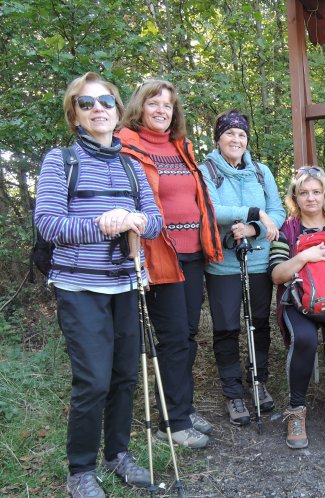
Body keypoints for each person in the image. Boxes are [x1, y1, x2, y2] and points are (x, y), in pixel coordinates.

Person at [34, 72, 163, 498]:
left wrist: (137, 221)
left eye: (106, 101)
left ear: (117, 108)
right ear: (75, 115)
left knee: (126, 374)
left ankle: (118, 455)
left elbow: (156, 220)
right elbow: (48, 224)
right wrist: (100, 223)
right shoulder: (60, 161)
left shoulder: (130, 162)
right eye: (87, 104)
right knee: (92, 380)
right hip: (79, 287)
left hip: (127, 284)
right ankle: (81, 470)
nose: (99, 109)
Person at [117, 79, 223, 449]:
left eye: (168, 105)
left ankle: (181, 406)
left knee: (187, 335)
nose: (162, 110)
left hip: (193, 253)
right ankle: (173, 424)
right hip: (159, 255)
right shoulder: (126, 145)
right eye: (154, 103)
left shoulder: (182, 147)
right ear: (140, 107)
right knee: (174, 337)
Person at [200, 110, 286, 426]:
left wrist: (253, 229)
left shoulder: (261, 172)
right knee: (225, 328)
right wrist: (250, 211)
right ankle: (234, 393)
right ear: (218, 137)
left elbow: (277, 212)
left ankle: (258, 381)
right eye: (229, 134)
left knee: (259, 324)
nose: (236, 140)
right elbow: (209, 209)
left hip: (260, 260)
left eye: (241, 135)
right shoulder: (206, 170)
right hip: (223, 265)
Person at [269, 166, 325, 450]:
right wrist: (305, 256)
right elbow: (276, 275)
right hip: (300, 302)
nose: (311, 198)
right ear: (295, 197)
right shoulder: (288, 228)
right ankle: (296, 410)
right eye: (304, 192)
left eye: (316, 192)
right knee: (305, 340)